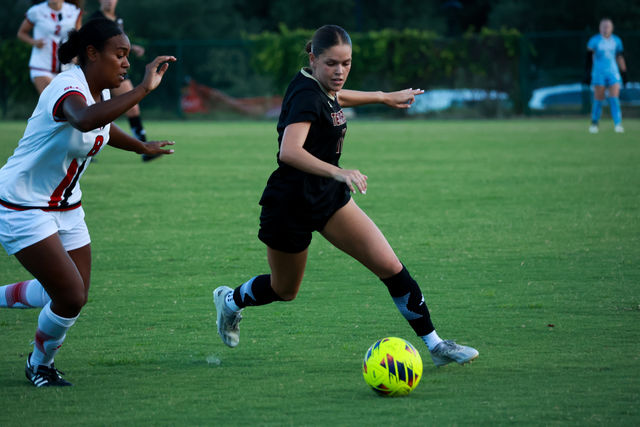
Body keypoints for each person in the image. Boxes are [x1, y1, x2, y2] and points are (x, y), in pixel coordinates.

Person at [213, 25, 479, 368]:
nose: (339, 72)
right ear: (313, 58)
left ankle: (436, 345)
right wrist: (339, 171)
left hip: (328, 199)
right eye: (331, 64)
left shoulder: (321, 87)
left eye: (346, 63)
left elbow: (338, 97)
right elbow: (288, 152)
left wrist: (384, 97)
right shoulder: (306, 96)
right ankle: (230, 300)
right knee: (285, 290)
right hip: (289, 205)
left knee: (391, 267)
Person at [0, 18, 176, 387]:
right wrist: (143, 89)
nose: (126, 63)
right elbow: (83, 120)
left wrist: (140, 146)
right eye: (120, 55)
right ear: (92, 54)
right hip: (22, 205)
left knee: (70, 292)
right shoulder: (67, 86)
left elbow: (103, 125)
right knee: (70, 297)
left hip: (67, 207)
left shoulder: (102, 94)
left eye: (129, 55)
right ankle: (39, 364)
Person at [89, 0, 156, 161]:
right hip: (101, 70)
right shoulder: (95, 19)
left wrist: (132, 48)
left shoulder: (118, 19)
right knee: (93, 111)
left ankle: (144, 147)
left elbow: (118, 43)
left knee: (133, 107)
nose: (109, 1)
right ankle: (86, 149)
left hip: (117, 69)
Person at [17, 0, 83, 94]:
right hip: (42, 66)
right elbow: (21, 33)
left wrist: (75, 55)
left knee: (66, 103)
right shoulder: (36, 11)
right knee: (51, 98)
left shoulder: (74, 11)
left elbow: (78, 38)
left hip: (67, 68)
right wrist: (34, 42)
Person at [585, 18, 628, 134]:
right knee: (598, 100)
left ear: (612, 28)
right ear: (600, 28)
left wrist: (624, 73)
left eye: (608, 26)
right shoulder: (594, 41)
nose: (605, 28)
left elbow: (620, 57)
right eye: (603, 26)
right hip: (599, 74)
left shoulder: (616, 41)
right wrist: (588, 73)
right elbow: (589, 59)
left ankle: (618, 124)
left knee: (614, 99)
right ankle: (594, 123)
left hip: (613, 73)